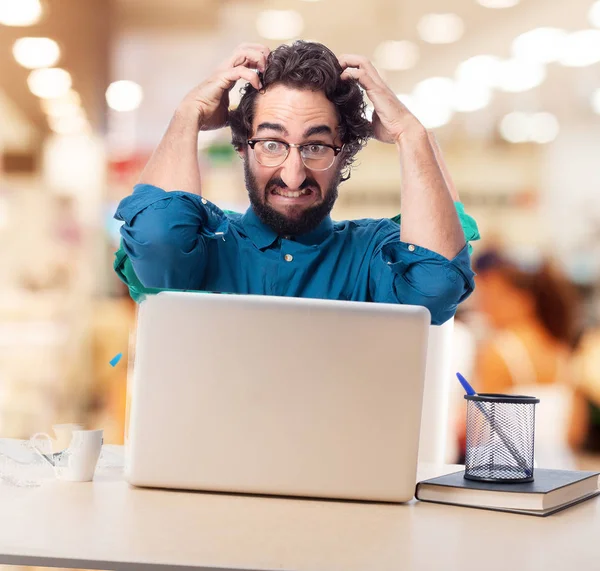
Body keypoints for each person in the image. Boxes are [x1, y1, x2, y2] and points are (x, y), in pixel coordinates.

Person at [114, 41, 478, 325]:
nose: (294, 175)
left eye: (316, 146)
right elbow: (157, 238)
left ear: (344, 153)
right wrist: (187, 114)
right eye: (271, 144)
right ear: (242, 146)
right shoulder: (206, 244)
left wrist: (411, 135)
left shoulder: (371, 256)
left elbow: (437, 283)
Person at [466, 249, 583, 467]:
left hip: (509, 474)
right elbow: (575, 430)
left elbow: (478, 432)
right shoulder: (560, 349)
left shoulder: (499, 352)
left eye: (493, 297)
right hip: (562, 471)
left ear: (523, 300)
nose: (484, 307)